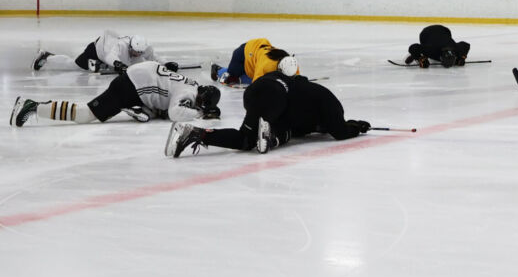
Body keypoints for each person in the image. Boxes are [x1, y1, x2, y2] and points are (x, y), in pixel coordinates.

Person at [165, 69, 370, 157]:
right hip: (275, 96)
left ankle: (194, 133)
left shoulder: (309, 101)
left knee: (254, 136)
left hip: (256, 91)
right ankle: (267, 133)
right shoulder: (332, 106)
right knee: (251, 138)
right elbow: (340, 131)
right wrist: (356, 128)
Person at [10, 61, 220, 127]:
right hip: (131, 85)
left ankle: (138, 108)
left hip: (139, 79)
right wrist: (200, 114)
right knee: (85, 115)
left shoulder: (193, 84)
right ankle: (34, 106)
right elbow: (176, 113)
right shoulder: (188, 93)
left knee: (155, 112)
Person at [32, 31, 170, 73]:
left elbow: (154, 57)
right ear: (130, 47)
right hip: (97, 50)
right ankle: (46, 57)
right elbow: (111, 56)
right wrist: (118, 65)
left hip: (108, 53)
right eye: (135, 52)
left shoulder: (143, 48)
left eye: (140, 53)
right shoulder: (121, 46)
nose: (137, 55)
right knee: (73, 65)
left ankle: (101, 66)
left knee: (137, 65)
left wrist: (167, 64)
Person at [210, 39, 298, 85]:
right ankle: (217, 69)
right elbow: (256, 84)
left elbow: (297, 79)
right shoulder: (266, 64)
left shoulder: (292, 63)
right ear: (279, 68)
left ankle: (242, 76)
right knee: (232, 77)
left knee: (267, 79)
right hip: (244, 53)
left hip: (257, 54)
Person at [403, 25, 471, 68]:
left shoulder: (456, 49)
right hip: (425, 34)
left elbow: (466, 45)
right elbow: (413, 47)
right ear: (440, 58)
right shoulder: (431, 50)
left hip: (444, 30)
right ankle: (415, 55)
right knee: (422, 49)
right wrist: (420, 58)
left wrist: (462, 57)